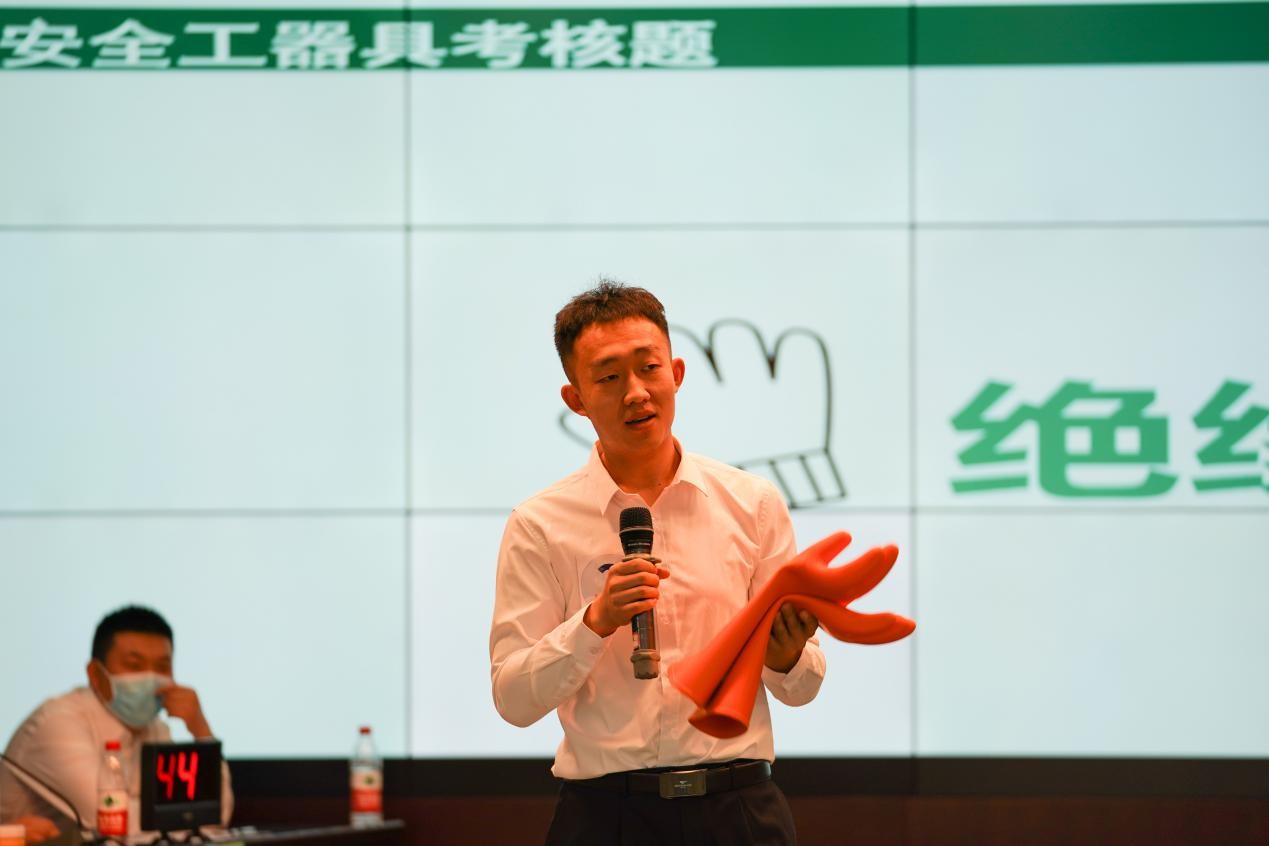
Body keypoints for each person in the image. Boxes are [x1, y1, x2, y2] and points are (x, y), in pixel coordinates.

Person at [490, 281, 824, 845]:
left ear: (677, 373)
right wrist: (594, 622)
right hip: (605, 819)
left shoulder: (752, 503)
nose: (636, 393)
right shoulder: (539, 524)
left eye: (649, 369)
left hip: (738, 812)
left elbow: (802, 687)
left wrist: (785, 657)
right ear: (575, 399)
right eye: (608, 377)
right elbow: (513, 699)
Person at [1, 606, 233, 835]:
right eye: (134, 665)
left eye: (162, 667)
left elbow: (214, 815)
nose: (150, 677)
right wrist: (191, 824)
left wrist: (201, 730)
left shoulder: (156, 728)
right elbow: (113, 824)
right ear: (95, 674)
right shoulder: (57, 723)